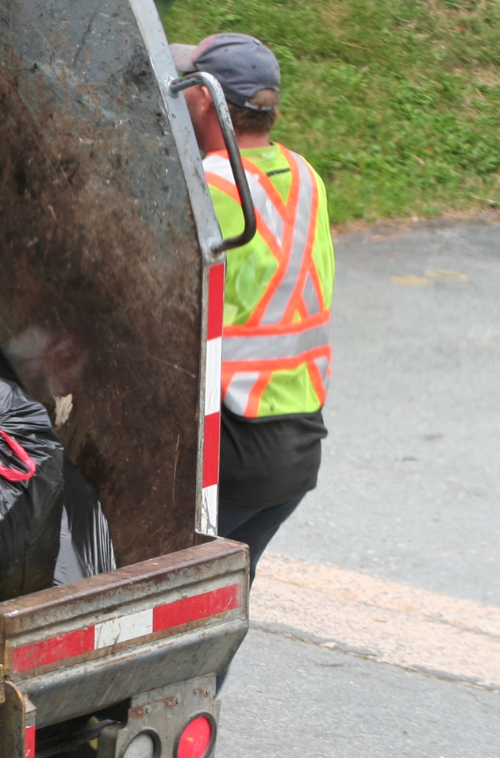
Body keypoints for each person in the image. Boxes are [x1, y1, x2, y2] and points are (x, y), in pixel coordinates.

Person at [172, 33, 332, 574]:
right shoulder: (306, 176)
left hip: (232, 450)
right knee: (213, 606)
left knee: (158, 603)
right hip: (297, 449)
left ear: (202, 99)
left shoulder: (209, 182)